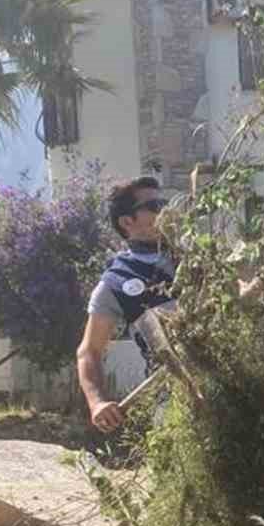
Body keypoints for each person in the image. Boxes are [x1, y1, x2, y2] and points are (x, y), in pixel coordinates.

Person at [77, 176, 176, 433]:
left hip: (228, 379)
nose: (165, 210)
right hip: (173, 398)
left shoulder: (196, 256)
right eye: (154, 206)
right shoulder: (115, 283)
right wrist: (97, 402)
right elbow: (89, 352)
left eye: (164, 202)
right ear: (127, 222)